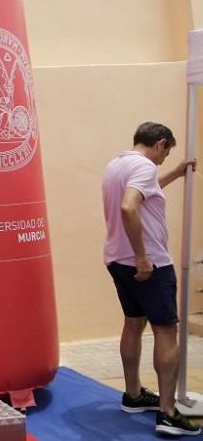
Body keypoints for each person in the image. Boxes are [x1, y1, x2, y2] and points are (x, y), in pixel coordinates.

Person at [102, 122, 199, 436]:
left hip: (118, 260)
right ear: (160, 143)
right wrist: (143, 256)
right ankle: (168, 413)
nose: (163, 160)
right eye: (166, 154)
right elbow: (129, 206)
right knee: (165, 332)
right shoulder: (143, 166)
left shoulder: (117, 164)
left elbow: (145, 190)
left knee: (133, 323)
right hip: (149, 265)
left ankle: (133, 394)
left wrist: (176, 173)